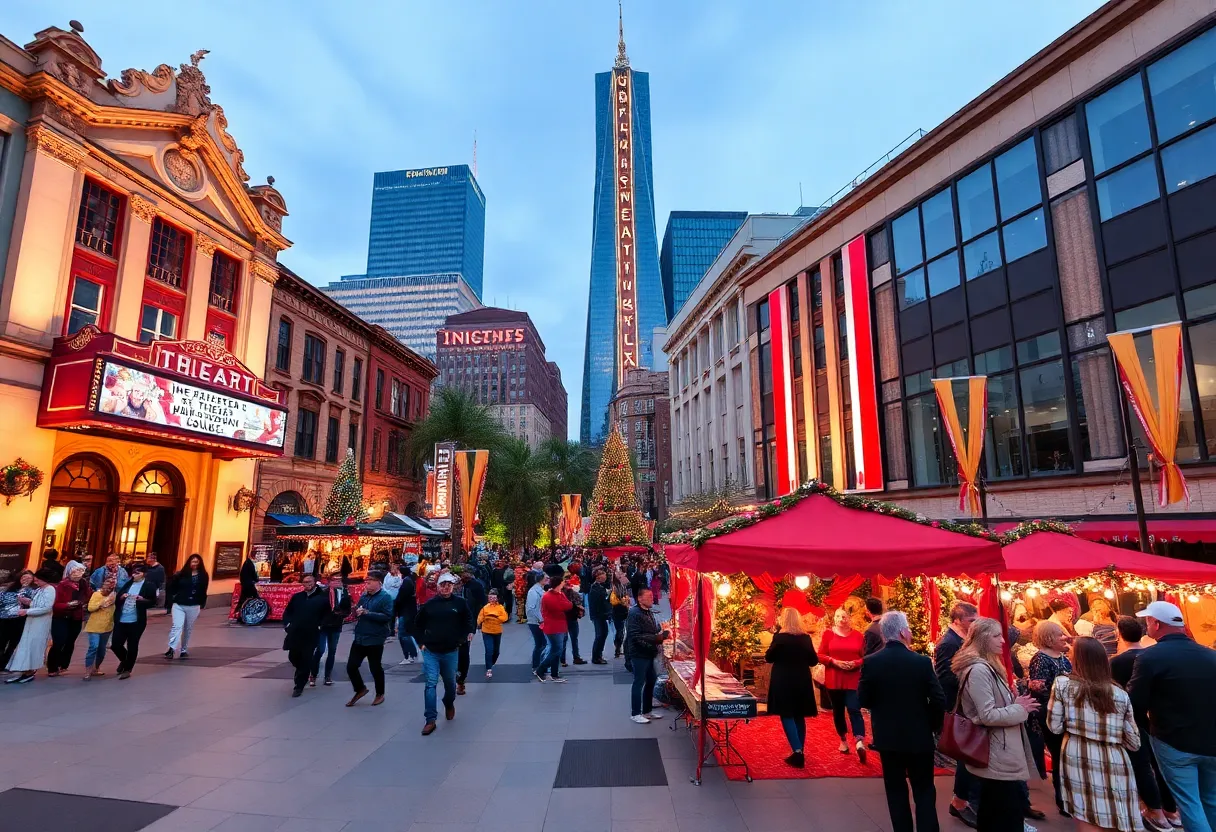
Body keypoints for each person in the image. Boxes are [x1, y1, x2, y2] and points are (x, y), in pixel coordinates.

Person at [1128, 600, 1216, 832]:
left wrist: (1151, 731)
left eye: (1148, 621)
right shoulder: (1210, 655)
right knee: (1210, 801)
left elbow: (1134, 703)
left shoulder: (1150, 657)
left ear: (1156, 624)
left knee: (1190, 804)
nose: (1146, 625)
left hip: (1174, 742)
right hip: (1209, 741)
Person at [859, 611, 945, 832]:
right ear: (902, 632)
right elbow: (938, 699)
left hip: (888, 737)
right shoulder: (921, 662)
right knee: (924, 790)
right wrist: (932, 725)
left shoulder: (871, 662)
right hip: (919, 735)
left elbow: (863, 699)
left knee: (895, 790)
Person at [1045, 636, 1141, 832]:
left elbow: (1054, 726)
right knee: (1116, 816)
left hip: (1077, 754)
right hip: (1115, 758)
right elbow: (1134, 742)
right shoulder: (1120, 694)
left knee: (1085, 815)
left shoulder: (1063, 685)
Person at [954, 617, 1040, 832]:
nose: (1003, 641)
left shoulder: (987, 667)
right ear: (983, 638)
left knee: (994, 811)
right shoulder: (979, 670)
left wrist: (1013, 699)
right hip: (996, 752)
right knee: (1003, 812)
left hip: (998, 749)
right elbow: (987, 715)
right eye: (996, 635)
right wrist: (1020, 708)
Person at [1108, 616, 1178, 832]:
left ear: (1120, 634)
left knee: (1141, 765)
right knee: (1160, 764)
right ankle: (1171, 810)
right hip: (1156, 716)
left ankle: (1155, 811)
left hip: (1133, 718)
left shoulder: (1116, 662)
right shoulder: (1153, 655)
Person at [935, 601, 981, 828]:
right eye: (971, 620)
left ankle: (967, 798)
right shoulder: (948, 643)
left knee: (969, 754)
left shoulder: (960, 640)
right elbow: (945, 677)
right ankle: (961, 800)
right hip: (959, 707)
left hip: (966, 704)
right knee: (966, 754)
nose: (974, 624)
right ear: (957, 620)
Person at [416, 573, 474, 734]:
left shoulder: (460, 603)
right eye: (443, 584)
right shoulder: (429, 605)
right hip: (431, 651)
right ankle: (430, 719)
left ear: (453, 586)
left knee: (449, 684)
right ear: (437, 587)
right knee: (430, 683)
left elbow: (468, 620)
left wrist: (464, 637)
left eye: (449, 584)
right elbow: (417, 624)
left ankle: (449, 703)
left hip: (450, 651)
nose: (446, 587)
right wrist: (421, 642)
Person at [1027, 619, 1073, 816]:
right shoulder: (1040, 659)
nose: (1064, 637)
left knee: (1067, 755)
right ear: (1048, 638)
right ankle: (1063, 800)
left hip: (1067, 712)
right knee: (1058, 755)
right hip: (1050, 712)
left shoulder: (1063, 657)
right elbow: (1038, 686)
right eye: (1059, 634)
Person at [765, 607, 820, 767]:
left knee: (787, 713)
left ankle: (797, 751)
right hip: (802, 679)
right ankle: (800, 749)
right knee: (799, 714)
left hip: (783, 679)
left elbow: (769, 657)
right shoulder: (805, 638)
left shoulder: (780, 638)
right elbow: (813, 661)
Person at [819, 606, 868, 760]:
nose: (841, 619)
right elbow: (820, 655)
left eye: (844, 616)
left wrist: (856, 663)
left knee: (854, 708)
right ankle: (843, 740)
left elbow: (865, 657)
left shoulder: (859, 636)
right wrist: (834, 661)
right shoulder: (828, 634)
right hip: (834, 680)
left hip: (853, 679)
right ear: (834, 619)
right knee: (838, 711)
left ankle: (860, 741)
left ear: (850, 618)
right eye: (838, 616)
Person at [346, 571, 393, 707]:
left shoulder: (385, 597)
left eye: (370, 581)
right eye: (366, 581)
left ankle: (380, 693)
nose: (367, 584)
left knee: (375, 667)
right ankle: (360, 688)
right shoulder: (364, 596)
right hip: (360, 636)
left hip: (375, 637)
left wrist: (368, 613)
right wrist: (355, 611)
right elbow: (359, 612)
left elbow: (387, 616)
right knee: (351, 666)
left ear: (379, 582)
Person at [4, 569, 56, 684]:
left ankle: (30, 671)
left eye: (37, 579)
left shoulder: (49, 589)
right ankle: (24, 670)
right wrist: (28, 602)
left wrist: (27, 611)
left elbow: (46, 607)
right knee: (26, 645)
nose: (35, 581)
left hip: (40, 623)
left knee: (33, 645)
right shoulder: (40, 589)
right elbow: (37, 604)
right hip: (32, 621)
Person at [625, 586, 669, 722]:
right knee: (639, 681)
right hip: (639, 653)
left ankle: (647, 710)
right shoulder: (634, 613)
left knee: (651, 680)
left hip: (649, 651)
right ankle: (635, 713)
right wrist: (659, 638)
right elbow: (636, 636)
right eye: (648, 596)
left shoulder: (648, 612)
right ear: (639, 598)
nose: (652, 598)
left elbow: (652, 628)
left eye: (652, 595)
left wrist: (662, 628)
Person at [282, 574, 330, 697]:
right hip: (295, 632)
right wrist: (287, 624)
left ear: (314, 582)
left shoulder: (322, 599)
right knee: (293, 656)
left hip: (311, 634)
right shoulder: (297, 597)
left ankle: (299, 685)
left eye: (309, 581)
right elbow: (288, 611)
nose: (307, 584)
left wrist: (320, 625)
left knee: (306, 657)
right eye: (304, 582)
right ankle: (303, 669)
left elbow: (327, 615)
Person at [110, 563, 156, 679]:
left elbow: (153, 602)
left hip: (136, 620)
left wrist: (142, 599)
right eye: (134, 572)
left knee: (132, 644)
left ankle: (128, 669)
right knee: (115, 644)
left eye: (138, 573)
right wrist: (122, 597)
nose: (135, 575)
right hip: (122, 618)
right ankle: (125, 660)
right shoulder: (128, 583)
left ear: (144, 574)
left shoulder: (149, 585)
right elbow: (118, 600)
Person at [164, 554, 208, 660]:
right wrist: (171, 600)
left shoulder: (203, 575)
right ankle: (171, 648)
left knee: (188, 628)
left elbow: (204, 590)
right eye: (192, 561)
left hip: (194, 605)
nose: (194, 564)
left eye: (196, 562)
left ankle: (184, 649)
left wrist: (202, 602)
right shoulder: (181, 574)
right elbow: (172, 587)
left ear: (200, 563)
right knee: (177, 626)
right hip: (179, 604)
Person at [47, 564, 88, 676]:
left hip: (76, 617)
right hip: (61, 617)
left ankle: (63, 665)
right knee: (59, 641)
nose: (78, 574)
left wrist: (85, 603)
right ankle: (52, 667)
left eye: (81, 571)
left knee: (70, 642)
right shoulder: (62, 585)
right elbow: (55, 605)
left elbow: (88, 596)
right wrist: (67, 605)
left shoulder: (83, 583)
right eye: (76, 571)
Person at [311, 572, 351, 687]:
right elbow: (317, 609)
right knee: (320, 650)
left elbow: (347, 609)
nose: (337, 582)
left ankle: (328, 675)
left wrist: (341, 615)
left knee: (332, 651)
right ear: (329, 582)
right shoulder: (324, 594)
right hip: (323, 626)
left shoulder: (344, 594)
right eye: (335, 580)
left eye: (339, 580)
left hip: (336, 625)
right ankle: (313, 674)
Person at [537, 573, 573, 683]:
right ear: (558, 584)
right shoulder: (548, 596)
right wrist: (566, 603)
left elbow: (568, 605)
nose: (564, 583)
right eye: (562, 582)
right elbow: (564, 606)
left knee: (556, 649)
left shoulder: (559, 594)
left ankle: (554, 674)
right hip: (553, 626)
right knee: (557, 650)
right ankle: (541, 669)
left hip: (560, 626)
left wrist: (565, 602)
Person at [456, 570, 486, 694]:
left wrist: (474, 625)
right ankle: (454, 678)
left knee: (463, 654)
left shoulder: (469, 591)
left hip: (464, 628)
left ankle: (461, 680)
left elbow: (478, 605)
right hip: (447, 630)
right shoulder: (439, 599)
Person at [82, 575, 117, 680]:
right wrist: (103, 602)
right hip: (95, 626)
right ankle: (87, 671)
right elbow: (91, 607)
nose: (109, 586)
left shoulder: (115, 595)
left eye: (112, 585)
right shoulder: (97, 594)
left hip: (107, 626)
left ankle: (96, 668)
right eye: (108, 584)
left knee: (102, 649)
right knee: (94, 647)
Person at [0, 570, 33, 670]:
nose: (26, 580)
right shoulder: (7, 588)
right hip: (4, 618)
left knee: (13, 643)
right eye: (24, 578)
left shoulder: (32, 591)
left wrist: (27, 602)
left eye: (29, 578)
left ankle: (4, 664)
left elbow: (35, 604)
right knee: (1, 642)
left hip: (20, 620)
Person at [475, 588, 508, 678]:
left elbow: (504, 618)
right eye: (490, 598)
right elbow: (480, 618)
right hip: (487, 631)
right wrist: (479, 622)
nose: (492, 599)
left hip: (497, 631)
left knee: (496, 651)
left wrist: (496, 616)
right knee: (489, 650)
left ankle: (491, 662)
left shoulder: (500, 608)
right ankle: (488, 668)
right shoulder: (485, 608)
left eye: (494, 598)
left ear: (497, 598)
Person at [587, 567, 612, 665]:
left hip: (600, 615)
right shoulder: (595, 588)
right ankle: (596, 657)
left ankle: (598, 655)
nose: (605, 576)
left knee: (603, 634)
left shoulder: (599, 587)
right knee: (600, 635)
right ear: (598, 577)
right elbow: (599, 602)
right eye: (604, 575)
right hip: (598, 615)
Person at [394, 569, 419, 666]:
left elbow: (400, 598)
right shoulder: (411, 581)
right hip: (409, 611)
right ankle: (412, 654)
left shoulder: (406, 583)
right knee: (407, 633)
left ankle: (409, 655)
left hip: (405, 612)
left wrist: (395, 606)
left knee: (403, 634)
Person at [562, 569, 586, 667]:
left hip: (572, 618)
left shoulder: (573, 592)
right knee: (564, 639)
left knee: (574, 639)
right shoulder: (560, 593)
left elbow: (579, 603)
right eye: (566, 579)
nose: (568, 581)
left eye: (569, 578)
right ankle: (562, 659)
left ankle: (576, 657)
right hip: (563, 619)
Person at [526, 572, 548, 675]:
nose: (547, 579)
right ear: (540, 579)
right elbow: (532, 608)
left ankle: (539, 665)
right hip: (535, 621)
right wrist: (541, 619)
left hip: (539, 620)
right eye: (545, 578)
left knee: (541, 643)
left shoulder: (539, 590)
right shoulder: (533, 592)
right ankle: (536, 666)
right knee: (541, 643)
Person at [611, 568, 631, 659]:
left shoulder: (622, 586)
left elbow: (627, 592)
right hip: (618, 611)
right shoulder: (615, 587)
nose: (622, 575)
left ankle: (618, 647)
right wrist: (624, 601)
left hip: (622, 610)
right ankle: (618, 648)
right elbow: (618, 599)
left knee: (621, 631)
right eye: (620, 575)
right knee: (620, 631)